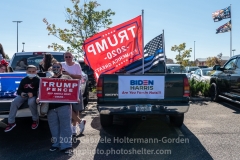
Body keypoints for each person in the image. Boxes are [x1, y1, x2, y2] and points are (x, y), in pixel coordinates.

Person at [36, 62, 74, 154]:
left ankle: (67, 145)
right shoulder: (47, 80)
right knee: (54, 127)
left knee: (66, 127)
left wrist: (76, 98)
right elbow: (41, 91)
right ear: (51, 69)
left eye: (58, 67)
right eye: (54, 67)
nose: (56, 68)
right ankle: (56, 144)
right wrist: (39, 98)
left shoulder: (67, 78)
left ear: (61, 68)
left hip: (64, 106)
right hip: (50, 108)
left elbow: (73, 89)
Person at [4, 65, 40, 132]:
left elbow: (40, 90)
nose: (31, 73)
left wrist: (33, 94)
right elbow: (19, 90)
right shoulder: (24, 79)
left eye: (33, 71)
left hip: (33, 96)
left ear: (36, 71)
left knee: (31, 102)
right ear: (26, 71)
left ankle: (35, 120)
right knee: (14, 102)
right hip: (24, 95)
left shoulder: (38, 80)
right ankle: (11, 122)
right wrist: (21, 93)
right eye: (29, 71)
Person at [61, 52, 86, 135]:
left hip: (75, 88)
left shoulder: (77, 65)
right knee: (67, 107)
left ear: (72, 57)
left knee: (76, 109)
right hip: (64, 89)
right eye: (66, 57)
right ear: (64, 58)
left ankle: (74, 128)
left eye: (69, 57)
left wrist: (69, 74)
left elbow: (79, 77)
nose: (68, 58)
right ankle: (80, 121)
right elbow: (53, 70)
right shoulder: (61, 65)